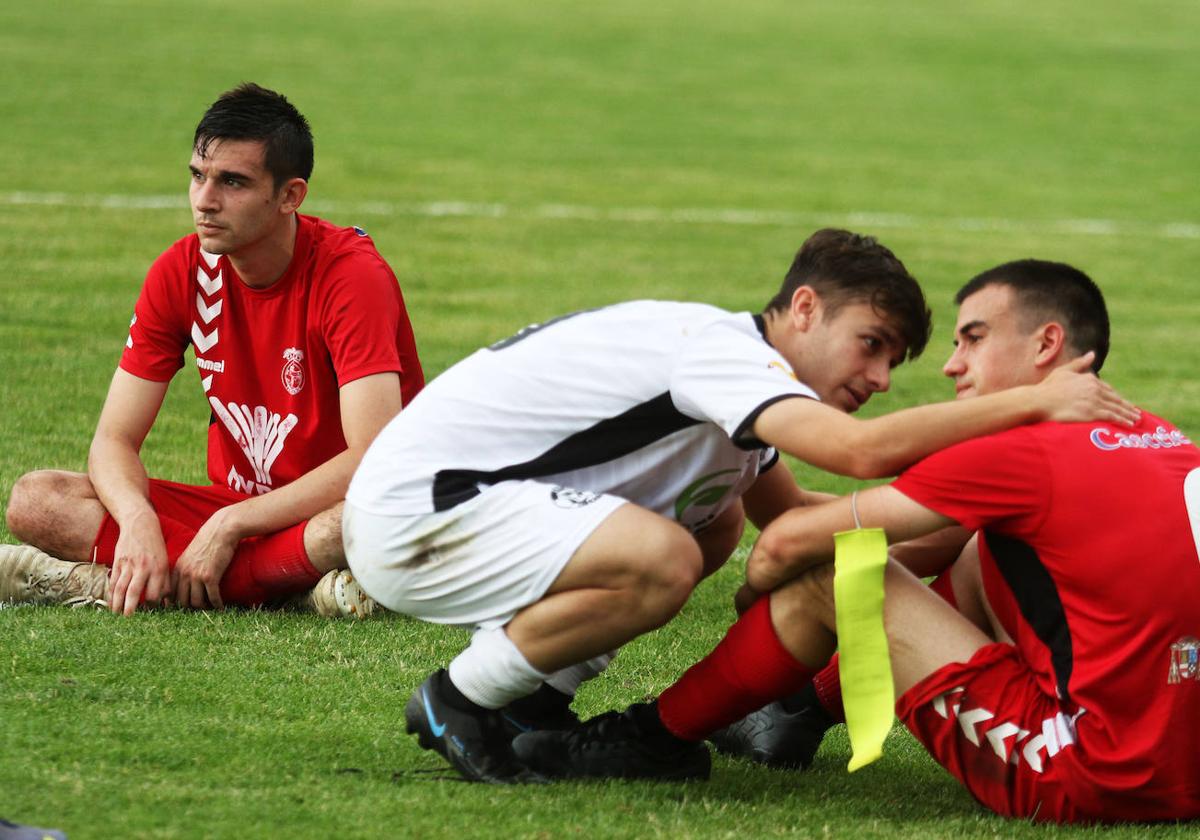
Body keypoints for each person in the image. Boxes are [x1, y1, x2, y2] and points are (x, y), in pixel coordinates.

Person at [343, 232, 1135, 784]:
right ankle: (459, 699)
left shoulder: (746, 392)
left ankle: (533, 701)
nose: (884, 377)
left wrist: (918, 526)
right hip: (419, 512)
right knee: (664, 557)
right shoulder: (724, 353)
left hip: (456, 506)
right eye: (872, 343)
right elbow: (858, 457)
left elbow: (788, 515)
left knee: (713, 521)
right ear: (804, 308)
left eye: (895, 359)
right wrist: (1036, 405)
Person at [513, 260, 1200, 824]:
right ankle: (796, 712)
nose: (952, 366)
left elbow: (792, 542)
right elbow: (933, 546)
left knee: (834, 574)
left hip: (1095, 773)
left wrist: (766, 598)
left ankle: (654, 737)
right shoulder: (1165, 438)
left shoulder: (1018, 453)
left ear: (1047, 345)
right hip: (1183, 763)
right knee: (965, 550)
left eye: (974, 338)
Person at [0, 83, 424, 618]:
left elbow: (372, 459)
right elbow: (113, 439)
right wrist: (136, 521)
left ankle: (82, 581)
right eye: (198, 176)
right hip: (241, 508)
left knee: (359, 524)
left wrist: (230, 526)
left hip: (337, 506)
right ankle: (290, 590)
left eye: (233, 182)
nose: (205, 200)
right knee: (36, 499)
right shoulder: (180, 271)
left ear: (290, 196)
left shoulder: (350, 276)